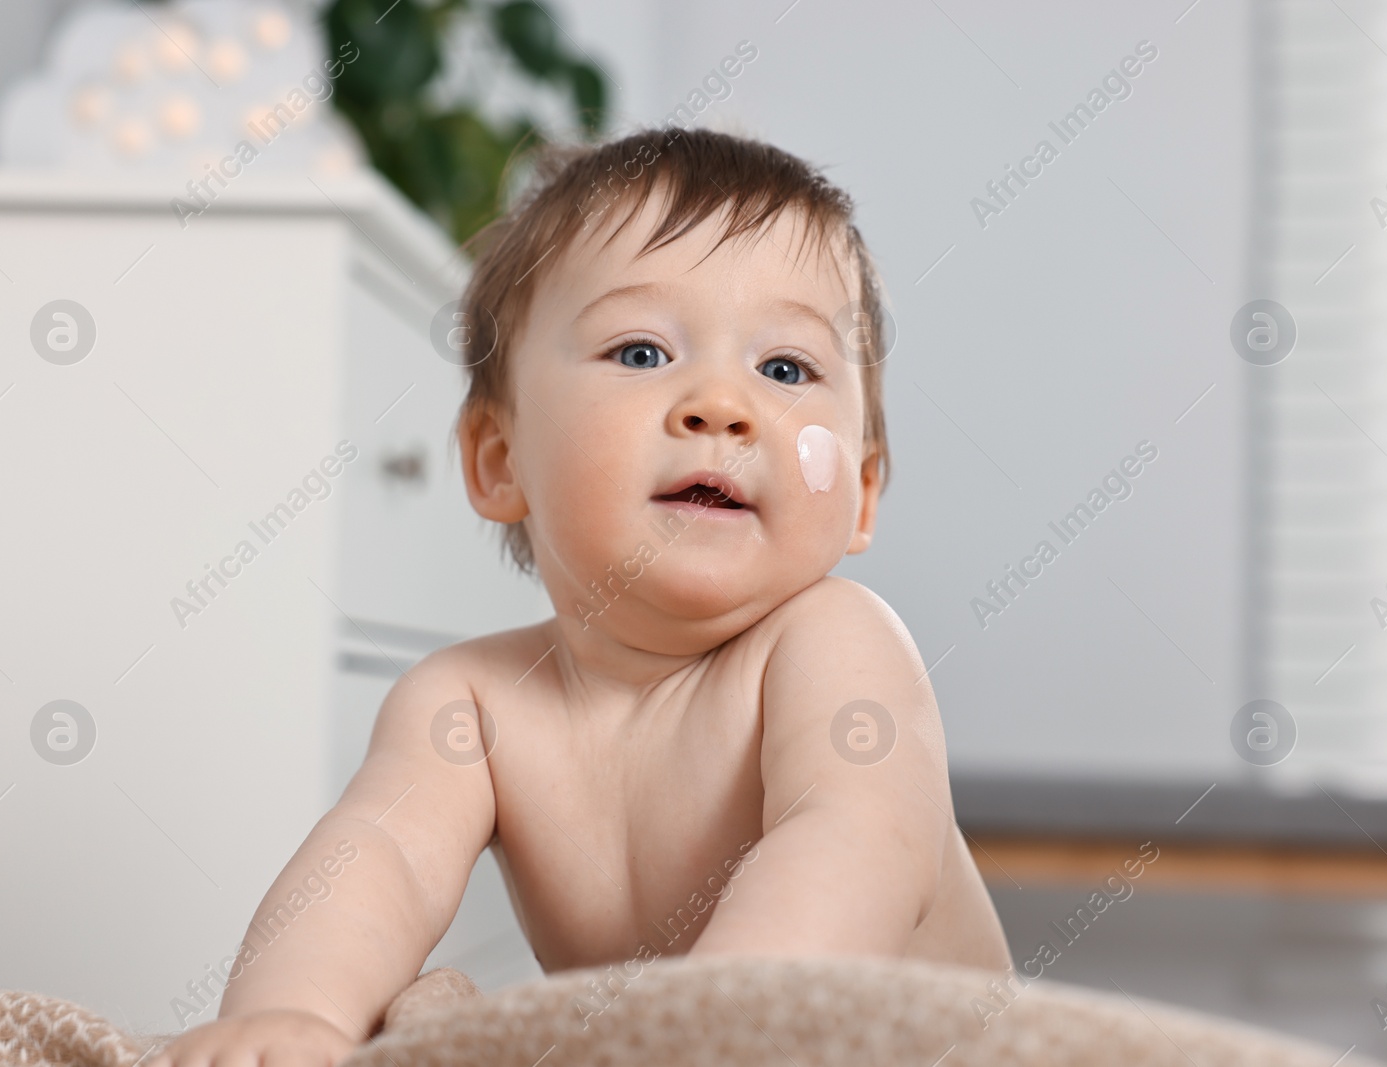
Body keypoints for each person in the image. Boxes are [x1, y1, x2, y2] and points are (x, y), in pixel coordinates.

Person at [150, 126, 1011, 1067]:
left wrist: (706, 1029)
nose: (721, 403)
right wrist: (296, 1017)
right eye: (641, 353)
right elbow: (378, 863)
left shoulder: (836, 643)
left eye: (784, 368)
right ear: (499, 458)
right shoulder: (472, 704)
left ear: (863, 489)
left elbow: (854, 841)